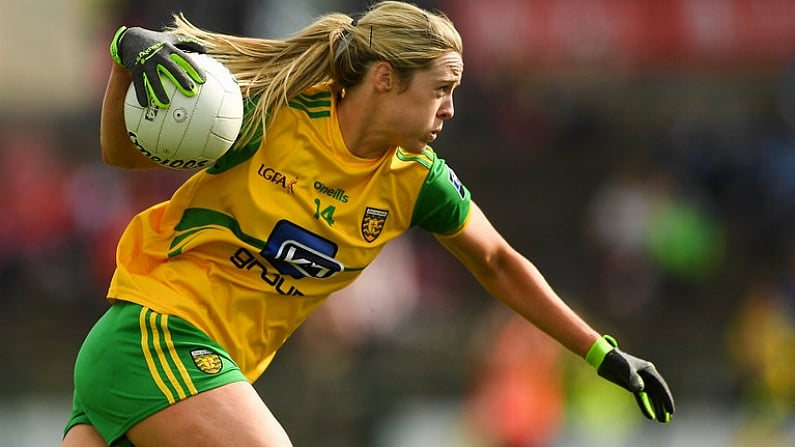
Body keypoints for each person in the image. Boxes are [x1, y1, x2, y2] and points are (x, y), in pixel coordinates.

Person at [62, 2, 674, 446]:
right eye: (440, 89)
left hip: (177, 365)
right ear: (385, 78)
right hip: (156, 336)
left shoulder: (416, 180)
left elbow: (497, 262)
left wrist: (600, 352)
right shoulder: (270, 116)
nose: (452, 108)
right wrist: (125, 66)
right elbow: (123, 155)